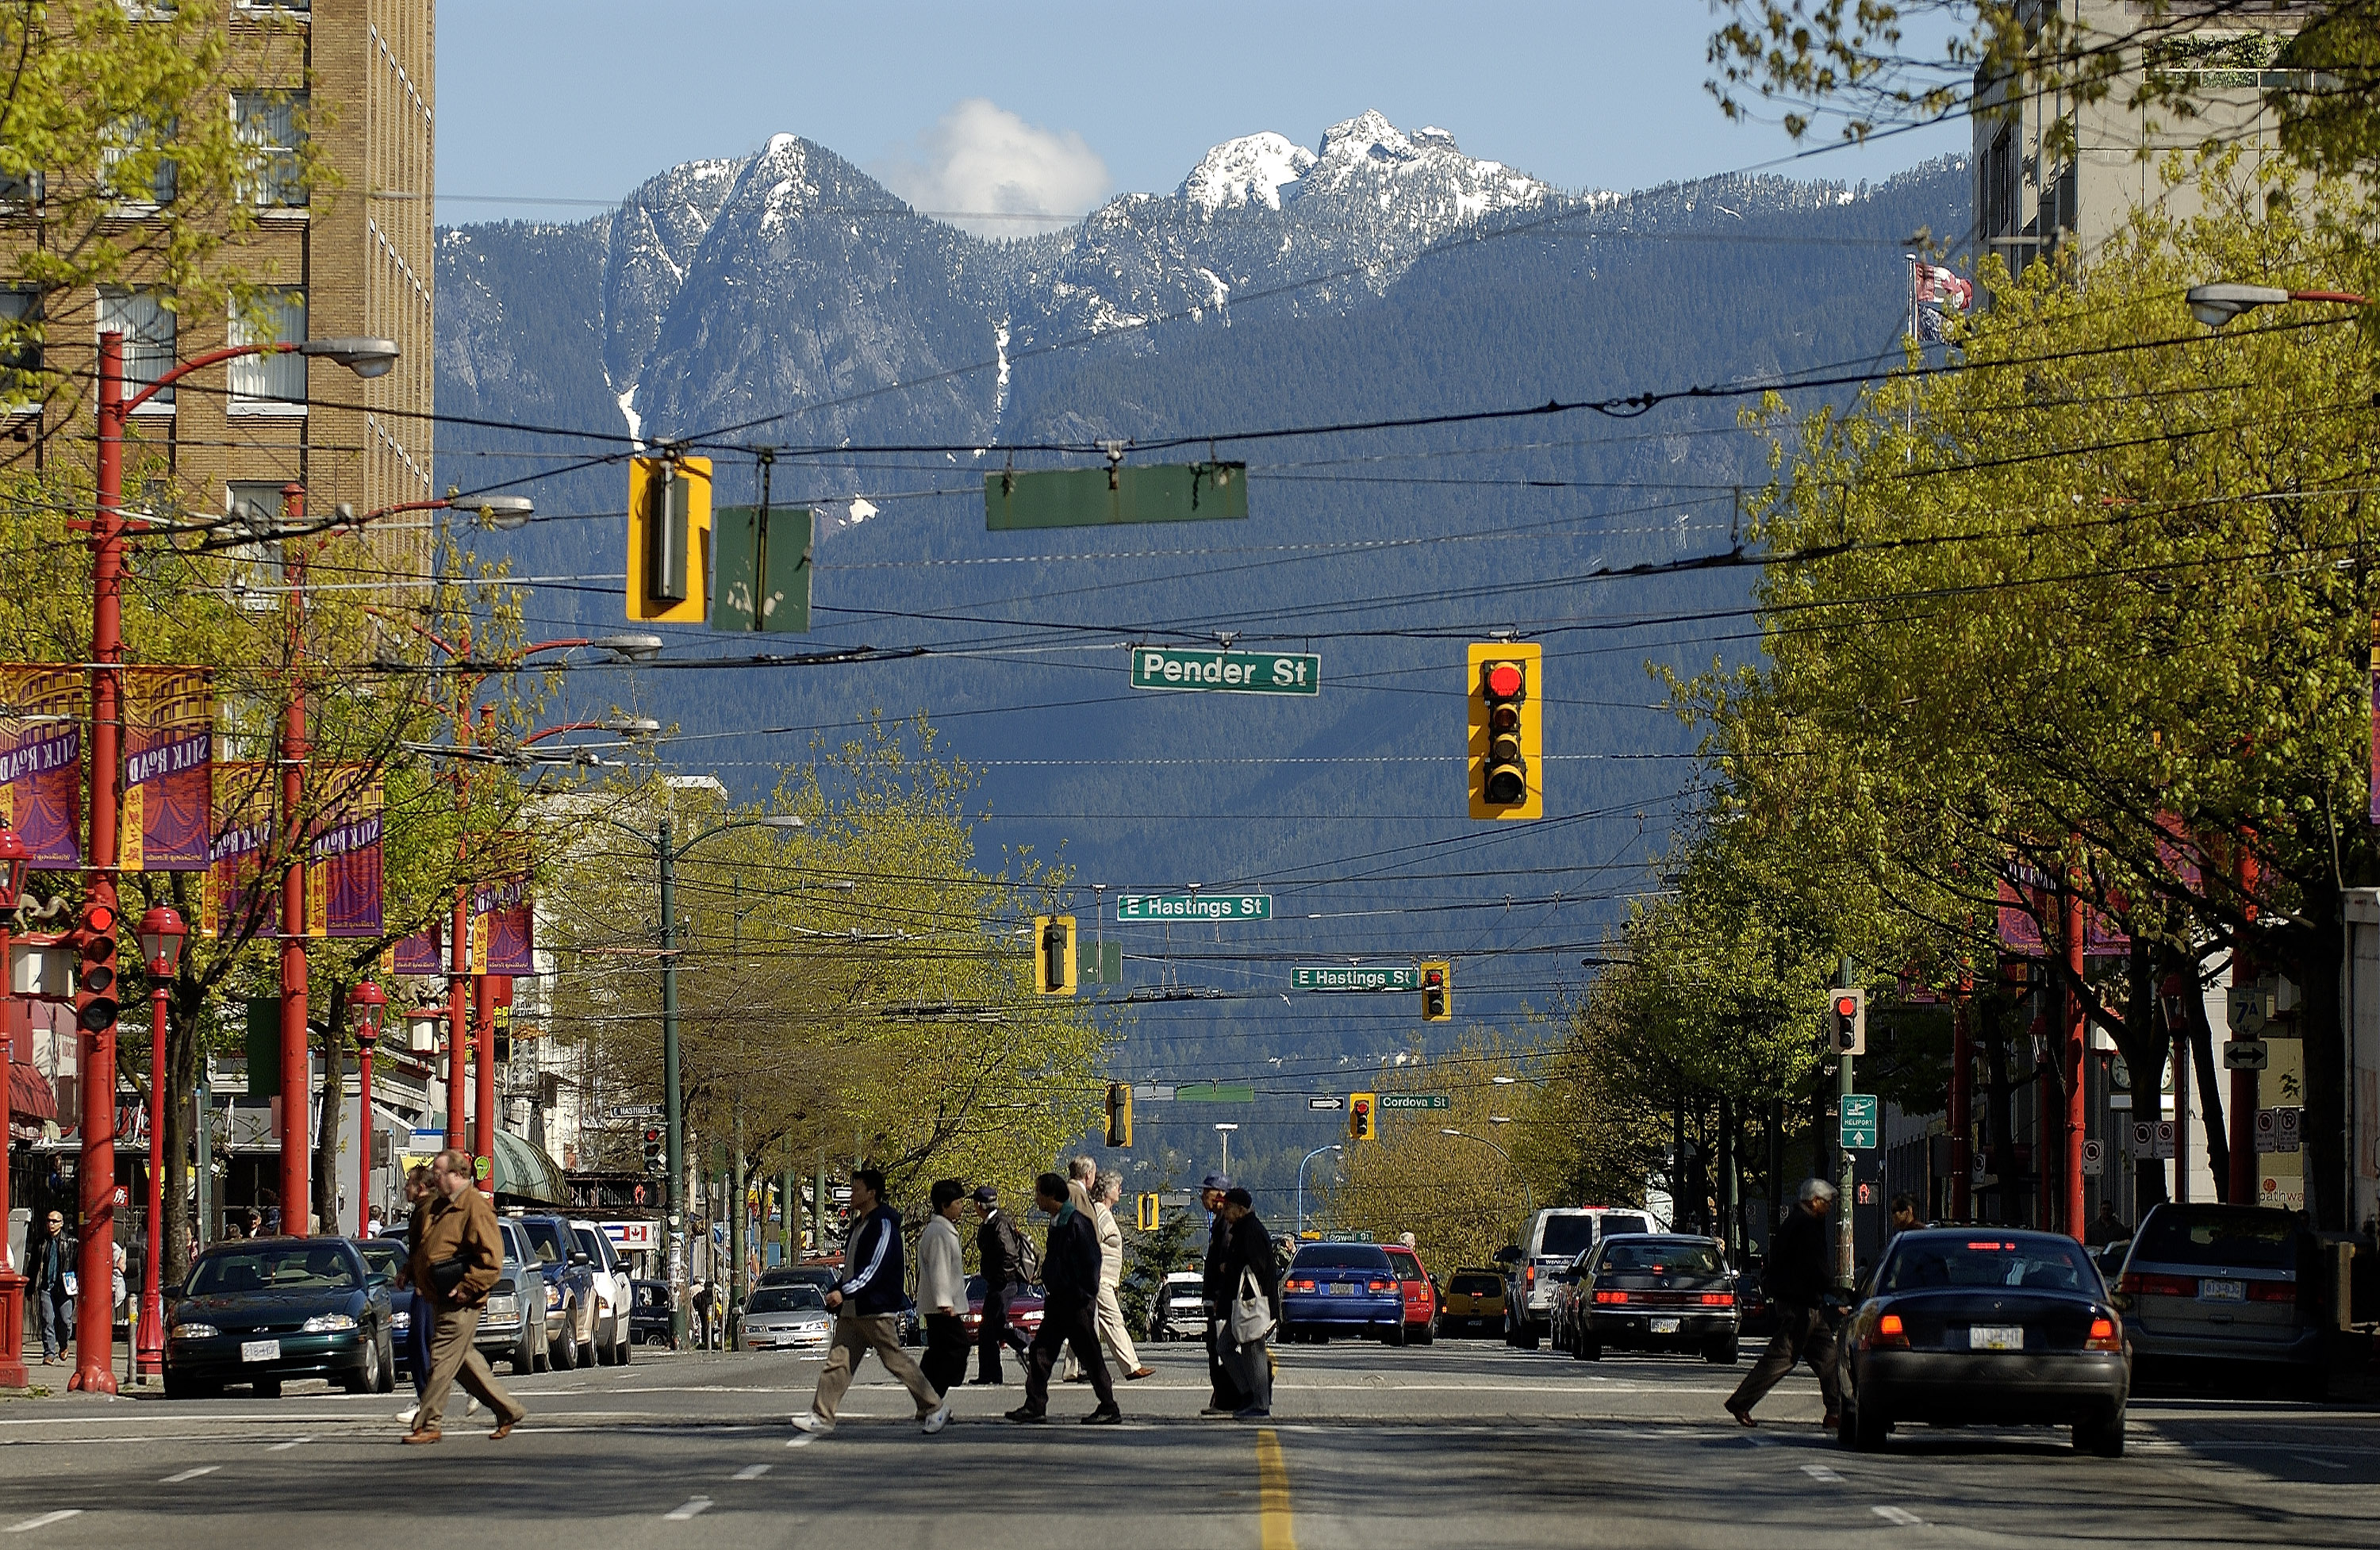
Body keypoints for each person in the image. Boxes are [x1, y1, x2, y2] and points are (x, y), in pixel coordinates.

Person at [793, 1168, 950, 1437]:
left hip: (876, 1307)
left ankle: (935, 1406)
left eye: (856, 1188)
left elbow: (873, 1269)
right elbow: (852, 1268)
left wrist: (844, 1292)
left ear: (872, 1193)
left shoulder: (883, 1224)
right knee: (838, 1362)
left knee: (895, 1360)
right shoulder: (860, 1225)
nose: (852, 1194)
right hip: (854, 1309)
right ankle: (822, 1415)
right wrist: (840, 1291)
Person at [404, 1149, 526, 1444]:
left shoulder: (475, 1207)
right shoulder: (442, 1205)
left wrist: (467, 1287)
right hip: (440, 1295)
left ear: (457, 1175)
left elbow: (492, 1259)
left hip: (462, 1298)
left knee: (443, 1358)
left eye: (439, 1172)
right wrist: (409, 1270)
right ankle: (508, 1410)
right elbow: (428, 1247)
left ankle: (429, 1422)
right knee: (463, 1362)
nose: (434, 1176)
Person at [1725, 1178, 1843, 1429]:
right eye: (1827, 1202)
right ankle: (1741, 1401)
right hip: (1801, 1306)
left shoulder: (1797, 1222)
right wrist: (1832, 1292)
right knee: (1782, 1358)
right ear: (1814, 1201)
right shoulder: (1807, 1225)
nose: (1830, 1207)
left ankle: (1837, 1410)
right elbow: (1815, 1267)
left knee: (1828, 1357)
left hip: (1804, 1304)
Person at [1008, 1172, 1120, 1425]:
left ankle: (1109, 1407)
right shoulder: (1058, 1221)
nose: (1036, 1198)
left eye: (1038, 1193)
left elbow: (1092, 1263)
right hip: (1058, 1300)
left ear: (1051, 1196)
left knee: (1090, 1355)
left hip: (1076, 1302)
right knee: (1041, 1351)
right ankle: (1035, 1405)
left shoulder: (1077, 1223)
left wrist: (1083, 1296)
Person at [1219, 1187, 1280, 1420]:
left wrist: (1230, 1268)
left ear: (1241, 1209)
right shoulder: (1243, 1229)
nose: (1225, 1212)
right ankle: (1248, 1393)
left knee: (1254, 1351)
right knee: (1225, 1347)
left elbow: (1258, 1265)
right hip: (1244, 1305)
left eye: (1228, 1207)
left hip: (1254, 1305)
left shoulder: (1251, 1231)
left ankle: (1261, 1403)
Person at [391, 1165, 440, 1429]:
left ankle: (425, 1401)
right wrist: (407, 1273)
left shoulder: (427, 1210)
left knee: (422, 1343)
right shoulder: (422, 1210)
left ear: (420, 1187)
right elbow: (418, 1249)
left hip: (428, 1287)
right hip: (424, 1284)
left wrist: (421, 1278)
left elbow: (428, 1247)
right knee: (422, 1343)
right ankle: (426, 1398)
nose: (405, 1189)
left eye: (408, 1185)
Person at [1092, 1175, 1154, 1381]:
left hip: (1102, 1279)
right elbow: (1091, 1241)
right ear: (1105, 1190)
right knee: (1115, 1321)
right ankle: (1131, 1366)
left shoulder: (1103, 1212)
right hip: (1100, 1279)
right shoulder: (1100, 1213)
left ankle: (1072, 1371)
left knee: (1083, 1324)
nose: (1120, 1189)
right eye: (1117, 1186)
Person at [970, 1185, 1032, 1383]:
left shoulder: (999, 1224)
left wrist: (1000, 1278)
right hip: (997, 1284)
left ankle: (1028, 1345)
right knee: (988, 1329)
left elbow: (1010, 1255)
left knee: (992, 1327)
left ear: (980, 1205)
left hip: (1004, 1285)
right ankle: (990, 1375)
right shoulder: (990, 1223)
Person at [1198, 1173, 1248, 1417]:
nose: (1202, 1197)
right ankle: (1223, 1396)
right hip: (1217, 1297)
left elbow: (1227, 1261)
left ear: (1219, 1196)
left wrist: (1219, 1295)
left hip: (1223, 1299)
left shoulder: (1226, 1224)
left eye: (1206, 1192)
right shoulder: (1219, 1221)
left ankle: (1226, 1398)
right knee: (1216, 1349)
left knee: (1220, 1350)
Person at [917, 1178, 971, 1398]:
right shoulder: (939, 1233)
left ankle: (928, 1397)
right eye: (957, 1203)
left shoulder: (942, 1230)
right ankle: (931, 1394)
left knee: (939, 1351)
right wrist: (944, 1301)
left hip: (940, 1304)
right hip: (942, 1306)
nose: (961, 1207)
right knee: (959, 1346)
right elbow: (938, 1269)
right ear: (943, 1205)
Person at [31, 1210, 73, 1365]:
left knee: (64, 1320)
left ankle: (63, 1344)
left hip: (63, 1288)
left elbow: (78, 1265)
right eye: (49, 1221)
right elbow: (33, 1266)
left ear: (61, 1223)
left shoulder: (71, 1243)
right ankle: (49, 1352)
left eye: (55, 1221)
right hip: (46, 1286)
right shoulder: (41, 1243)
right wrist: (30, 1288)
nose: (51, 1224)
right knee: (47, 1319)